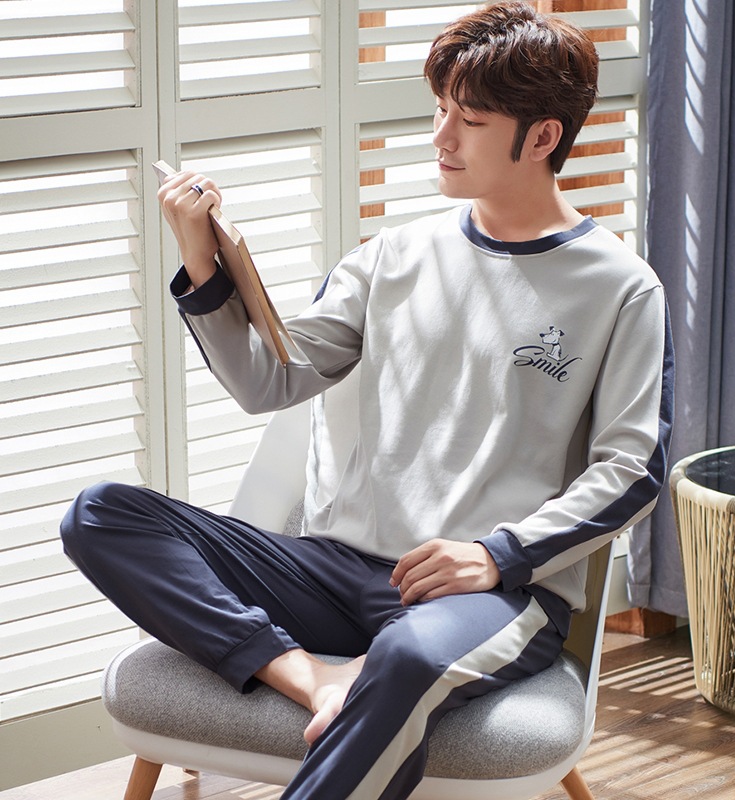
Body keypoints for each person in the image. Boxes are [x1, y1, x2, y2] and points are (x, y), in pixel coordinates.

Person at [61, 3, 674, 799]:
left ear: (542, 138)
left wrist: (498, 554)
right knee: (101, 514)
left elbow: (632, 470)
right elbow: (268, 381)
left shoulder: (622, 288)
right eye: (440, 109)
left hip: (487, 592)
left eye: (470, 120)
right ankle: (308, 676)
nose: (440, 136)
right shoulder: (392, 255)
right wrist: (200, 258)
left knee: (409, 656)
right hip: (333, 569)